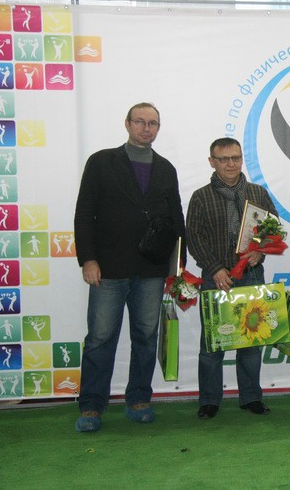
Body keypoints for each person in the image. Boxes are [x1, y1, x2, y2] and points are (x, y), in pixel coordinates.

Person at [74, 102, 185, 432]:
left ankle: (139, 399)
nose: (146, 128)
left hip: (151, 270)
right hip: (108, 268)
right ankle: (91, 406)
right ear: (127, 124)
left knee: (146, 337)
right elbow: (84, 214)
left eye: (153, 123)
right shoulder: (101, 162)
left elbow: (176, 219)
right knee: (100, 338)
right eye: (140, 121)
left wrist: (178, 268)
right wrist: (88, 259)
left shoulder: (166, 168)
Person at [186, 138, 278, 419]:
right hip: (216, 277)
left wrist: (259, 251)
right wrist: (215, 269)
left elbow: (273, 227)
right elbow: (194, 237)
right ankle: (209, 400)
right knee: (212, 343)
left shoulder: (258, 193)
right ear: (212, 162)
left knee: (252, 339)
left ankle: (251, 397)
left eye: (236, 158)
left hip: (251, 274)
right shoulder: (201, 197)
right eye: (224, 159)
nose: (231, 164)